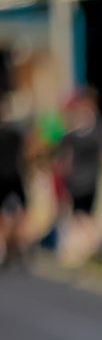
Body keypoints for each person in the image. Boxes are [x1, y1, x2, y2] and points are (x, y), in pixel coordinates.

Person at [55, 89, 102, 266]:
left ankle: (86, 249)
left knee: (83, 216)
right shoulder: (86, 128)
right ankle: (85, 249)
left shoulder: (93, 127)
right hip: (80, 180)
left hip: (87, 179)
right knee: (82, 216)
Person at [0, 96, 28, 270]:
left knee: (13, 215)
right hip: (12, 179)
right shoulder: (16, 134)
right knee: (12, 215)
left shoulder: (14, 134)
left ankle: (12, 246)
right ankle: (10, 247)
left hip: (11, 179)